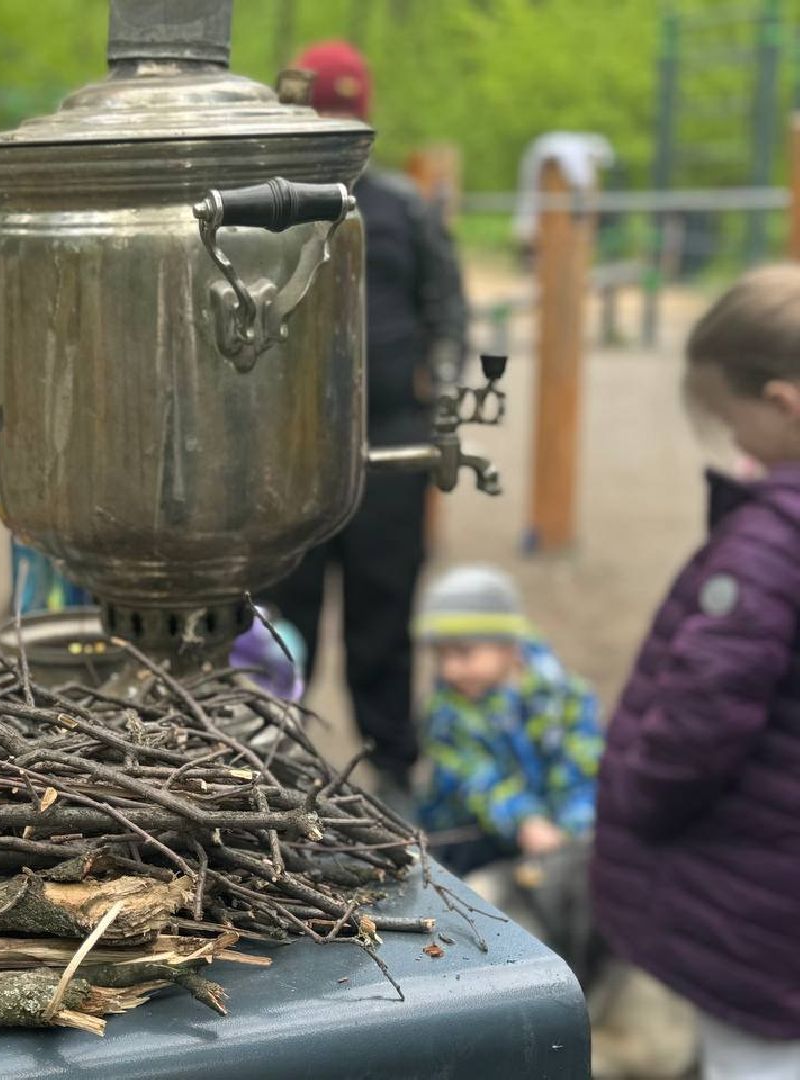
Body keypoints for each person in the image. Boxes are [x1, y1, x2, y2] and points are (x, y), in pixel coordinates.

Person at [591, 265, 800, 1078]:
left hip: (752, 904)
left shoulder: (769, 546)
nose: (738, 449)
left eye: (734, 425)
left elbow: (702, 712)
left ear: (784, 402)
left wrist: (640, 796)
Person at [265, 41, 468, 796]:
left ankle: (392, 762)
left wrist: (443, 388)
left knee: (385, 608)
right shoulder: (265, 207)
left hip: (392, 432)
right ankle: (277, 756)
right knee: (285, 614)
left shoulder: (403, 209)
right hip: (285, 444)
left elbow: (445, 307)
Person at [414, 565, 602, 878]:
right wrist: (527, 821)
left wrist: (574, 827)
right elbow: (477, 781)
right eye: (441, 656)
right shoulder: (445, 714)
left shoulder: (567, 697)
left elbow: (584, 769)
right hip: (470, 835)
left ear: (509, 646)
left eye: (463, 653)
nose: (449, 670)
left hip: (553, 833)